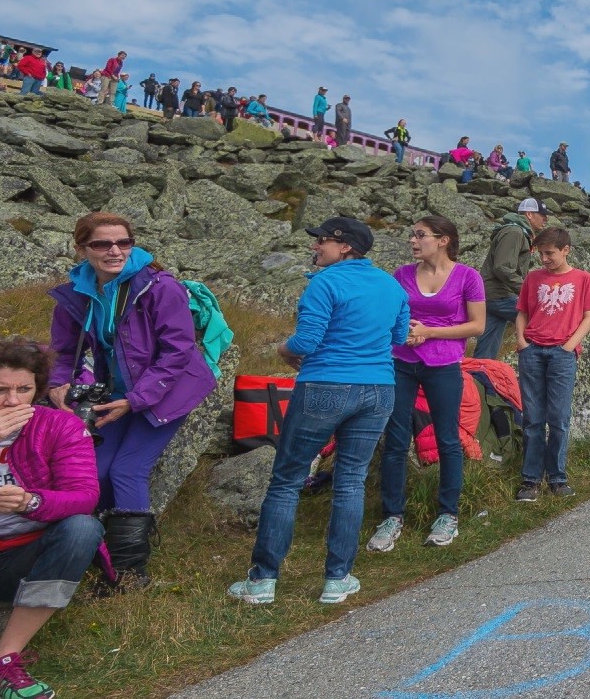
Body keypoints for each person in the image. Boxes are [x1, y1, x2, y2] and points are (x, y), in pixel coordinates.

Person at [229, 218, 407, 607]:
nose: (315, 247)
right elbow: (398, 336)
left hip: (325, 386)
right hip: (379, 389)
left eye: (322, 241)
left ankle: (263, 582)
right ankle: (337, 579)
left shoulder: (324, 283)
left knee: (286, 481)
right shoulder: (392, 285)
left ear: (344, 246)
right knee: (350, 482)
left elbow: (307, 340)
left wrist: (282, 351)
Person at [45, 212, 218, 588]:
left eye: (123, 242)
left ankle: (129, 574)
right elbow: (62, 351)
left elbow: (177, 352)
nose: (114, 251)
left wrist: (135, 400)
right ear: (81, 248)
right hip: (117, 394)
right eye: (101, 244)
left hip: (169, 391)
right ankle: (95, 551)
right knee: (95, 470)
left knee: (127, 470)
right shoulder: (76, 292)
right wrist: (58, 383)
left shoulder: (159, 287)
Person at [0, 340, 106, 699]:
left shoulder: (58, 425)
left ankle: (1, 663)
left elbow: (84, 495)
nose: (13, 402)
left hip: (22, 555)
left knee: (83, 528)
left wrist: (31, 501)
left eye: (24, 390)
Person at [368, 216, 486, 554]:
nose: (413, 241)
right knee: (395, 438)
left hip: (444, 365)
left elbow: (477, 326)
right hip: (401, 363)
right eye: (412, 234)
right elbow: (388, 315)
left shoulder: (468, 277)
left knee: (448, 438)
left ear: (444, 239)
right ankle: (392, 516)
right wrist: (403, 331)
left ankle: (447, 514)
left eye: (420, 235)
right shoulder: (402, 275)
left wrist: (429, 332)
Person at [513, 228, 590, 503]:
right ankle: (531, 480)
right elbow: (522, 313)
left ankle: (558, 479)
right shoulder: (533, 278)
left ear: (566, 250)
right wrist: (521, 341)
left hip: (562, 354)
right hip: (533, 351)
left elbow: (589, 316)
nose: (544, 259)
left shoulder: (583, 278)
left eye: (549, 253)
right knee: (532, 419)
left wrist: (569, 345)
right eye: (540, 253)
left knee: (559, 419)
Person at [478, 199, 547, 359]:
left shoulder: (518, 232)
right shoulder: (514, 233)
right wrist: (527, 291)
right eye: (542, 215)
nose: (545, 219)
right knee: (544, 319)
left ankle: (479, 379)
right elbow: (502, 267)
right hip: (500, 295)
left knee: (487, 350)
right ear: (529, 214)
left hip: (491, 295)